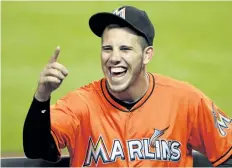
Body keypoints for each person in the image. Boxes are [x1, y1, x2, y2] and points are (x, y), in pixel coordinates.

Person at [23, 6, 232, 167]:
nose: (114, 58)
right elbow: (37, 149)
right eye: (107, 48)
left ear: (147, 54)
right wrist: (42, 95)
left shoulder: (185, 100)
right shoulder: (80, 105)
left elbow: (228, 152)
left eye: (125, 49)